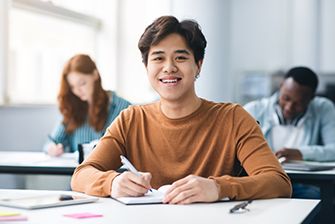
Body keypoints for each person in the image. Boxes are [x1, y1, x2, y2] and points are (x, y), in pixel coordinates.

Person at [71, 16, 291, 204]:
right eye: (158, 58)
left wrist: (218, 188)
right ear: (146, 66)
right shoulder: (131, 119)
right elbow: (81, 175)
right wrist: (112, 182)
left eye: (181, 58)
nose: (169, 67)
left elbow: (278, 182)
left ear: (199, 64)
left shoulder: (234, 118)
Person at [244, 66, 335, 198]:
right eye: (286, 98)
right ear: (281, 86)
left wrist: (301, 153)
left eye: (298, 103)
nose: (289, 107)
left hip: (302, 183)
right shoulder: (254, 110)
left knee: (315, 197)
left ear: (311, 98)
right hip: (262, 180)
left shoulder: (323, 109)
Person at [45, 54, 131, 156]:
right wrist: (52, 148)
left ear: (95, 75)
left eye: (82, 83)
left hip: (113, 171)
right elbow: (51, 142)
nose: (77, 91)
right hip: (79, 171)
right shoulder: (72, 108)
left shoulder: (123, 108)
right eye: (72, 87)